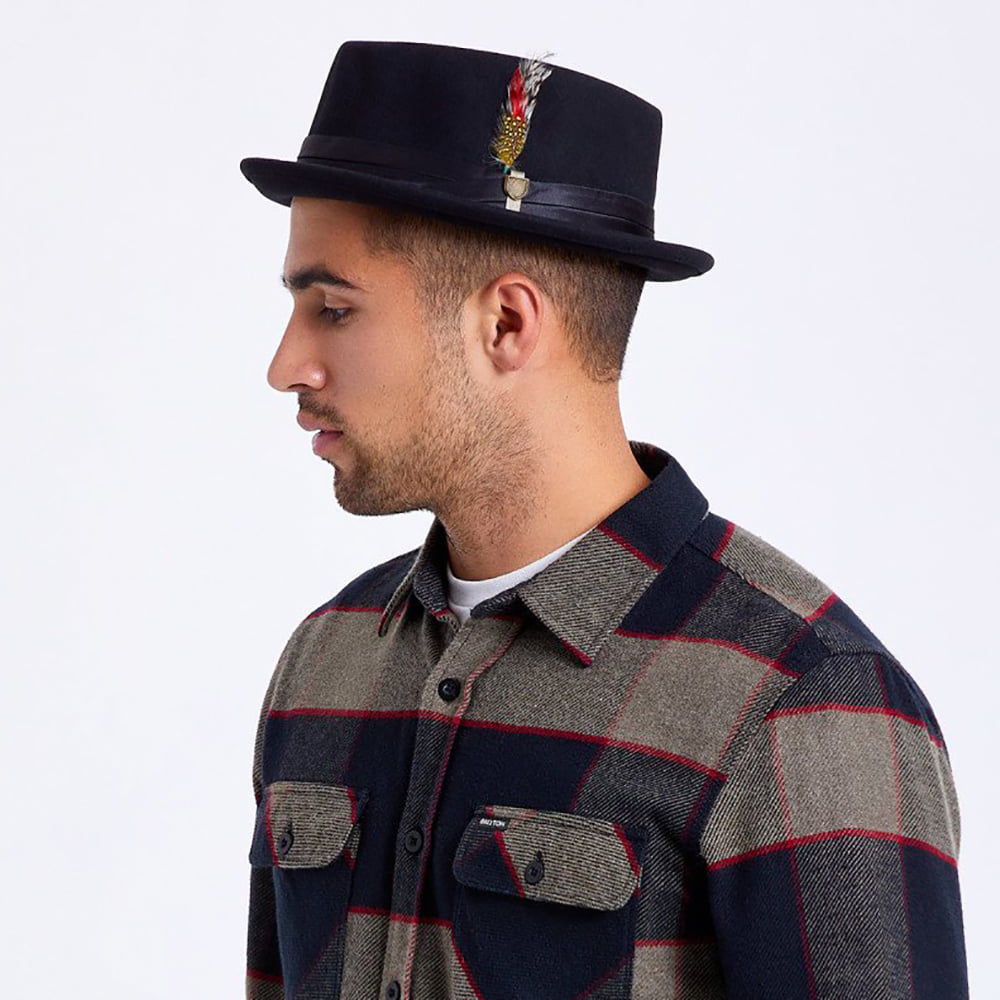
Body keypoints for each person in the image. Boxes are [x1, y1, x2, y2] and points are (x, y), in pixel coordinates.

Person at [239, 40, 968, 1000]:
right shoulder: (327, 659)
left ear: (506, 323)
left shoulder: (804, 701)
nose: (285, 366)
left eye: (332, 308)